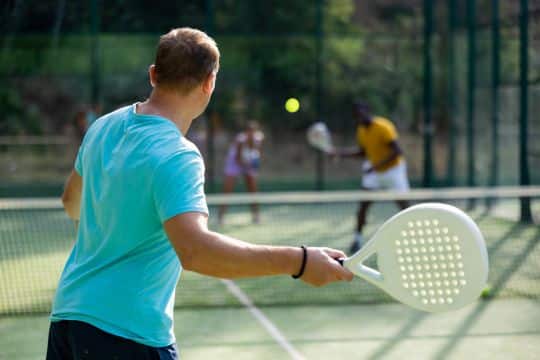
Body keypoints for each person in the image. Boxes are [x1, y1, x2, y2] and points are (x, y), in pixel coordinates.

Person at [47, 27, 353, 360]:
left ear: (153, 75)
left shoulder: (103, 126)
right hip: (127, 336)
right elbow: (195, 252)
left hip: (68, 320)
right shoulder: (179, 155)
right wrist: (300, 260)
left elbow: (71, 201)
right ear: (210, 83)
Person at [332, 101, 410, 254]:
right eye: (357, 114)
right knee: (363, 206)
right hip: (374, 172)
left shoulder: (383, 127)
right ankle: (357, 239)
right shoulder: (361, 130)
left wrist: (376, 166)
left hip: (393, 170)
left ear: (368, 111)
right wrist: (340, 153)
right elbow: (363, 152)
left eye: (363, 112)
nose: (360, 116)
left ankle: (416, 237)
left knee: (404, 206)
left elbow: (397, 151)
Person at [218, 121, 264, 224]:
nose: (251, 133)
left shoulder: (259, 138)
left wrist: (254, 163)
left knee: (253, 189)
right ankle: (221, 217)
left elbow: (258, 153)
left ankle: (256, 216)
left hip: (248, 163)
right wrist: (247, 165)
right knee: (227, 190)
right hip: (234, 162)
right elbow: (238, 159)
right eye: (249, 131)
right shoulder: (240, 140)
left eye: (253, 131)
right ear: (246, 132)